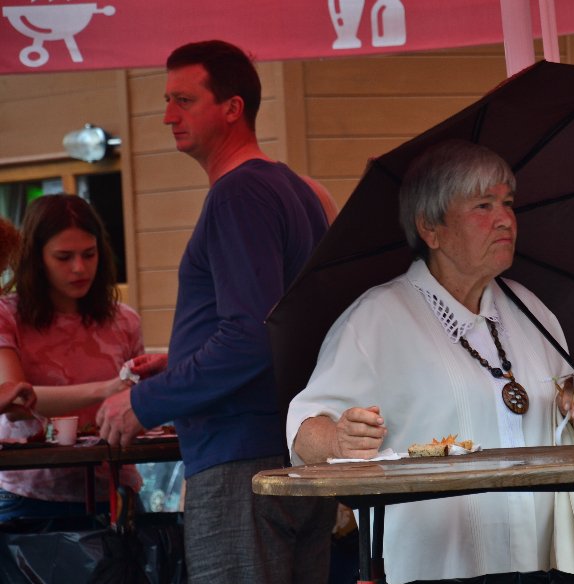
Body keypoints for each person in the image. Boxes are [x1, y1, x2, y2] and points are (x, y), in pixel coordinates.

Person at [287, 139, 574, 583]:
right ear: (430, 228)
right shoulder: (376, 320)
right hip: (437, 568)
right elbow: (304, 430)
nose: (505, 219)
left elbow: (571, 426)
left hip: (544, 566)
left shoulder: (531, 312)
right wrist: (340, 440)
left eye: (508, 203)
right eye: (483, 205)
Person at [96, 40, 335, 583]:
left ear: (232, 107)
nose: (167, 116)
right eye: (167, 100)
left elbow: (251, 336)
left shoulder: (238, 194)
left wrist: (145, 401)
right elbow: (279, 326)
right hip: (291, 449)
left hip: (240, 462)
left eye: (183, 100)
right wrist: (181, 361)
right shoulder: (293, 189)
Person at [0, 194, 143, 520]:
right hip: (29, 497)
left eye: (89, 254)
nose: (79, 268)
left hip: (115, 490)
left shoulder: (125, 320)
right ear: (36, 259)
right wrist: (108, 389)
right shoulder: (7, 315)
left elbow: (140, 402)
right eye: (63, 257)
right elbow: (15, 403)